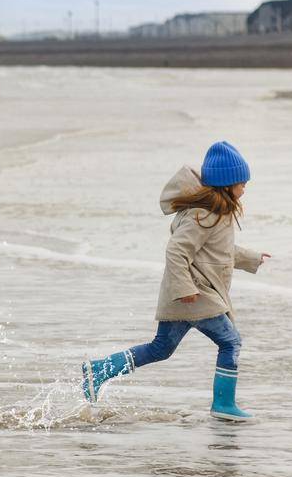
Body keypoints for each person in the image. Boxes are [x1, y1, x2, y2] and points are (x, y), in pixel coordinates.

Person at [82, 141, 270, 422]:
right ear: (227, 184)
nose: (245, 188)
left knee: (161, 349)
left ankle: (100, 369)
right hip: (195, 295)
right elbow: (177, 251)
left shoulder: (215, 215)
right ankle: (223, 404)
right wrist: (185, 289)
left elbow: (219, 251)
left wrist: (251, 258)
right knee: (230, 341)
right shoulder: (203, 216)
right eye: (242, 183)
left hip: (190, 296)